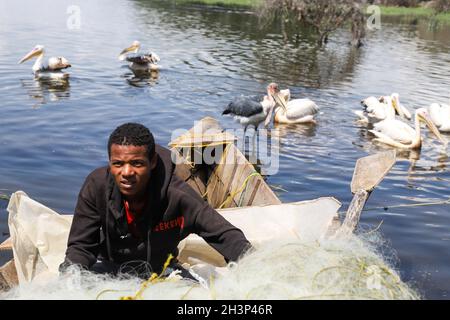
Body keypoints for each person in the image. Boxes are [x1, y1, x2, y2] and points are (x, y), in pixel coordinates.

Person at [60, 123, 252, 280]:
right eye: (118, 164)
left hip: (162, 273)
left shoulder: (177, 196)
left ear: (152, 162)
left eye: (137, 163)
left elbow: (226, 235)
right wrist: (71, 275)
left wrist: (256, 264)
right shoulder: (96, 186)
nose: (126, 173)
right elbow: (81, 246)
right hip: (110, 269)